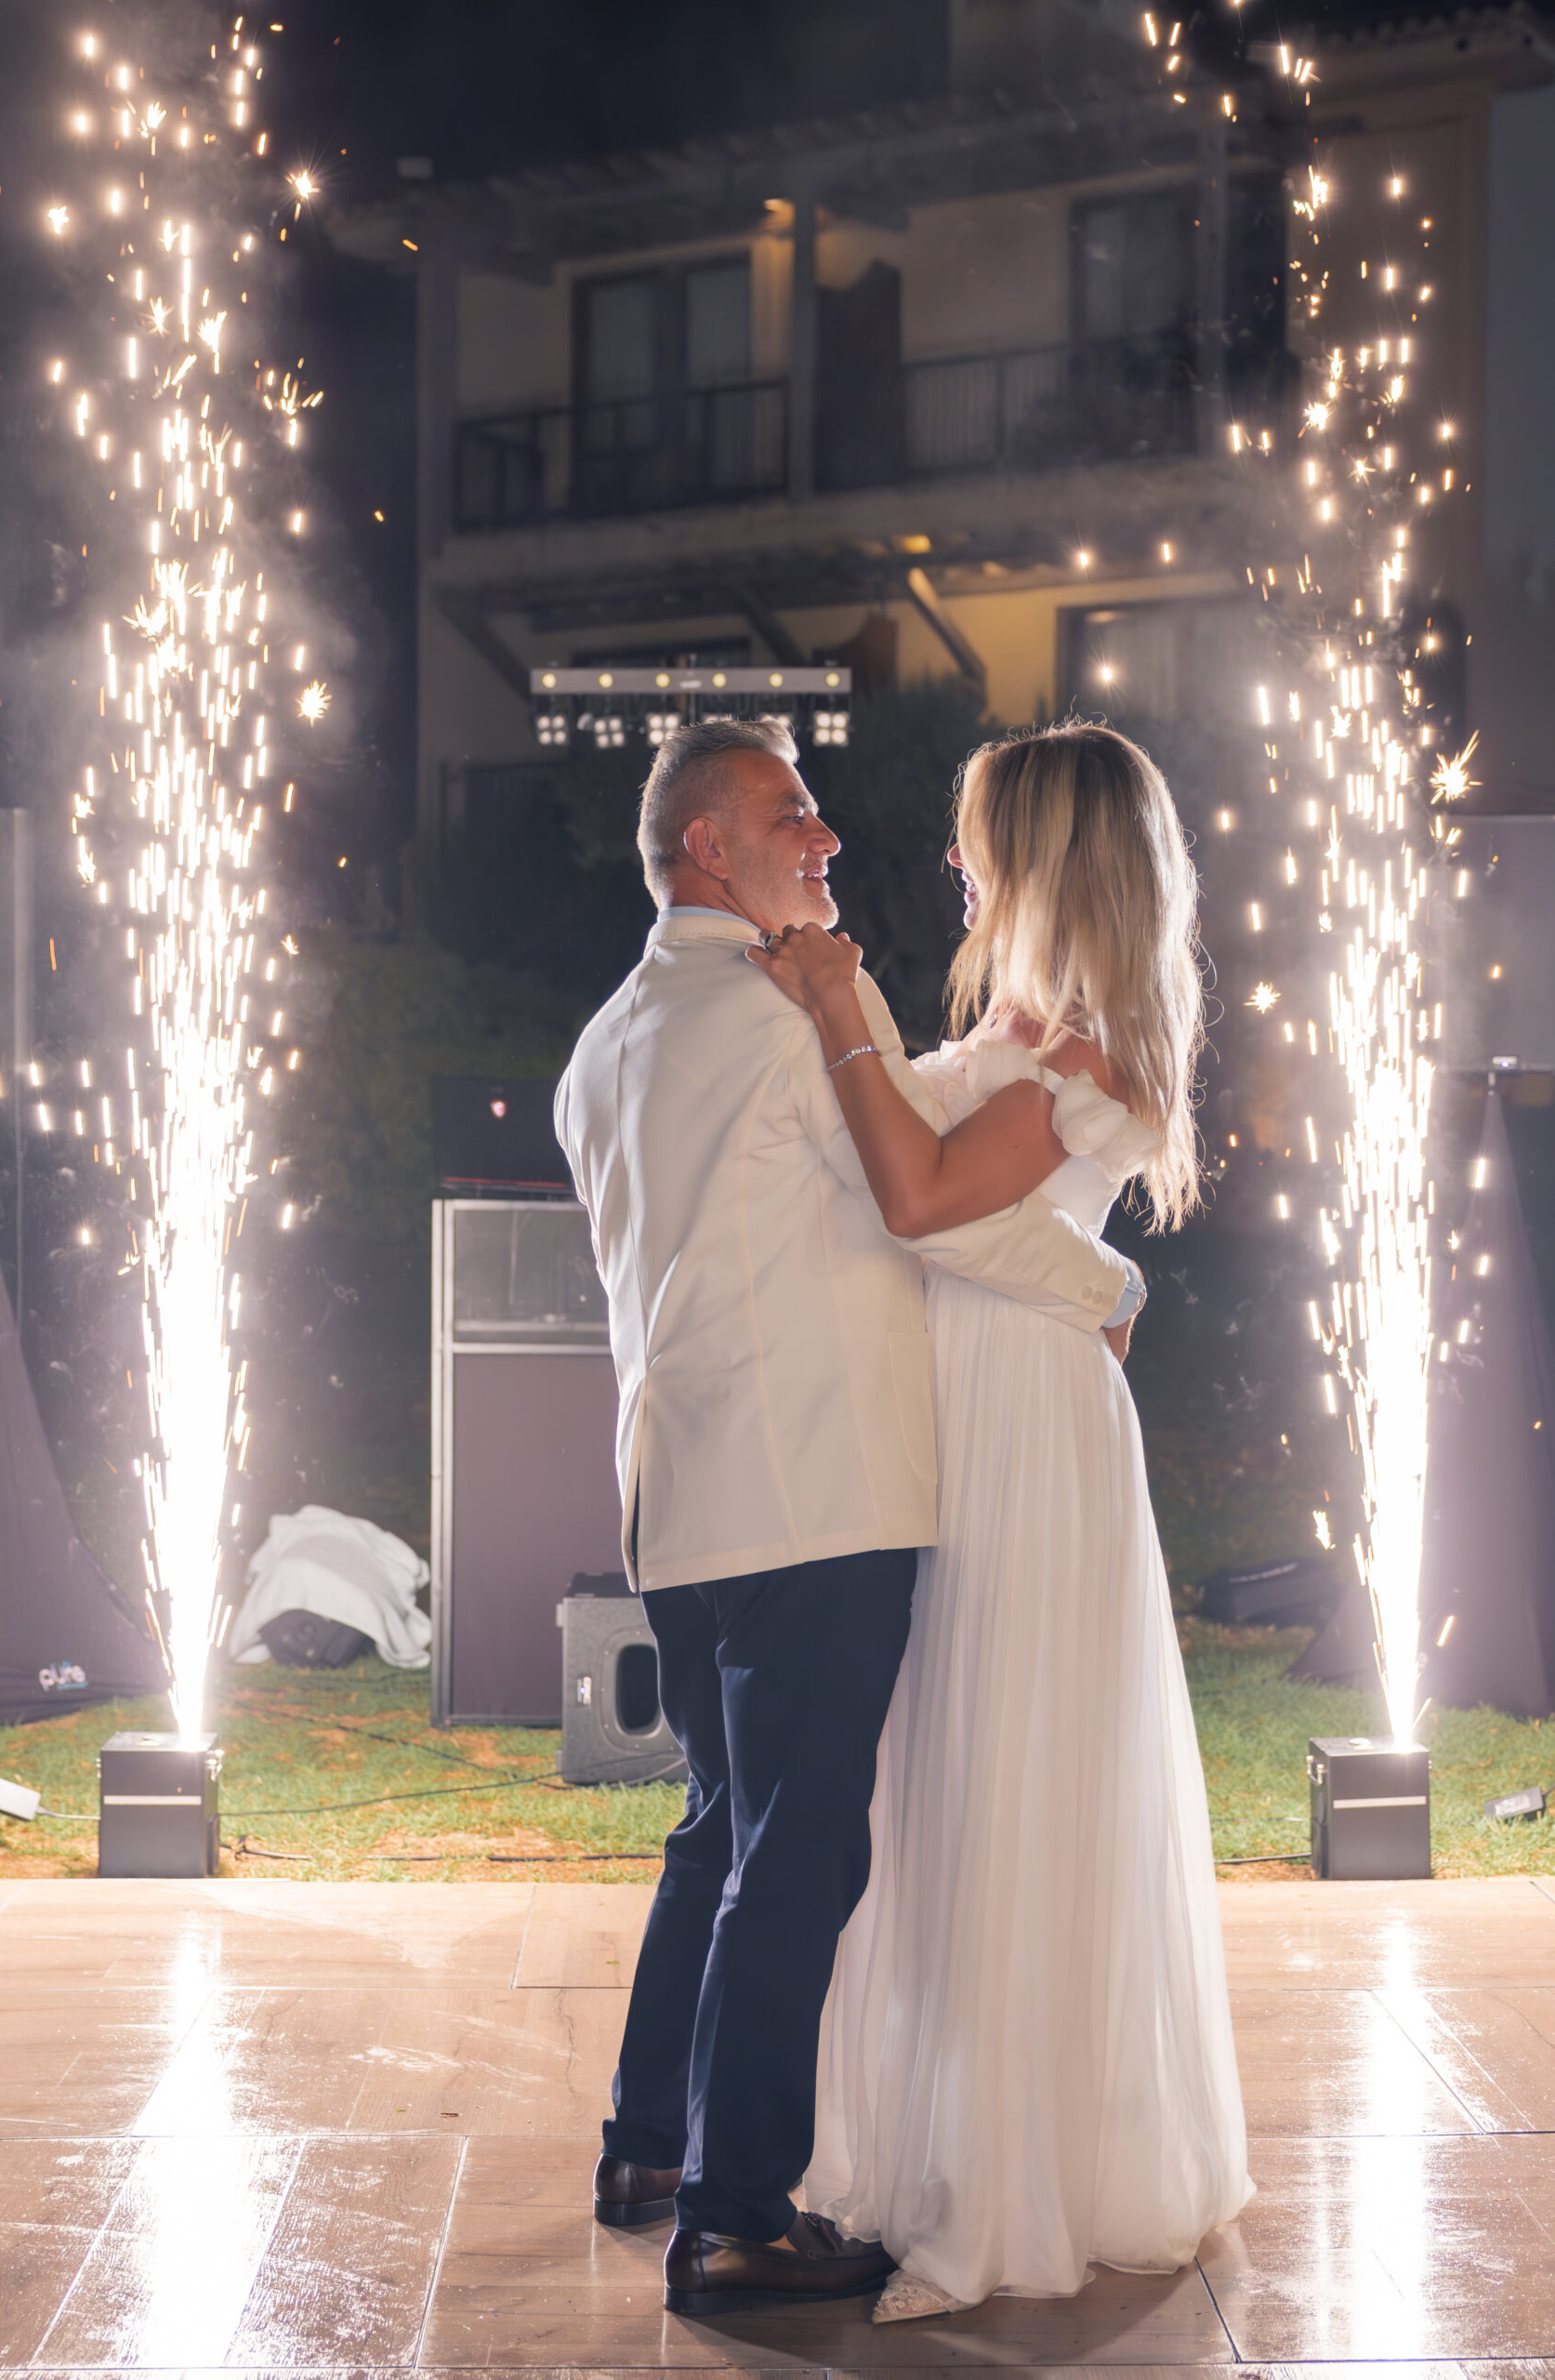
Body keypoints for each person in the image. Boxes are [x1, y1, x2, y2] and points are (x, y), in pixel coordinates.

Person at [554, 717, 1144, 2319]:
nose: (825, 836)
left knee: (718, 1832)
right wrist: (1106, 1283)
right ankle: (736, 2216)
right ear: (708, 850)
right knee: (798, 1855)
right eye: (790, 815)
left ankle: (647, 2147)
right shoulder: (804, 1009)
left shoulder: (603, 1045)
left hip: (676, 1504)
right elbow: (929, 1212)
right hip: (818, 1493)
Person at [749, 721, 1251, 2320]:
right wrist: (1104, 1277)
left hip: (1028, 1433)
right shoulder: (1022, 1030)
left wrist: (842, 1008)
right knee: (940, 1786)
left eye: (980, 838)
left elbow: (921, 1203)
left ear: (1046, 859)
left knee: (1004, 1781)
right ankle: (939, 2157)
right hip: (961, 1414)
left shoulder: (1088, 1054)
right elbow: (908, 1188)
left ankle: (1009, 2194)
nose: (956, 861)